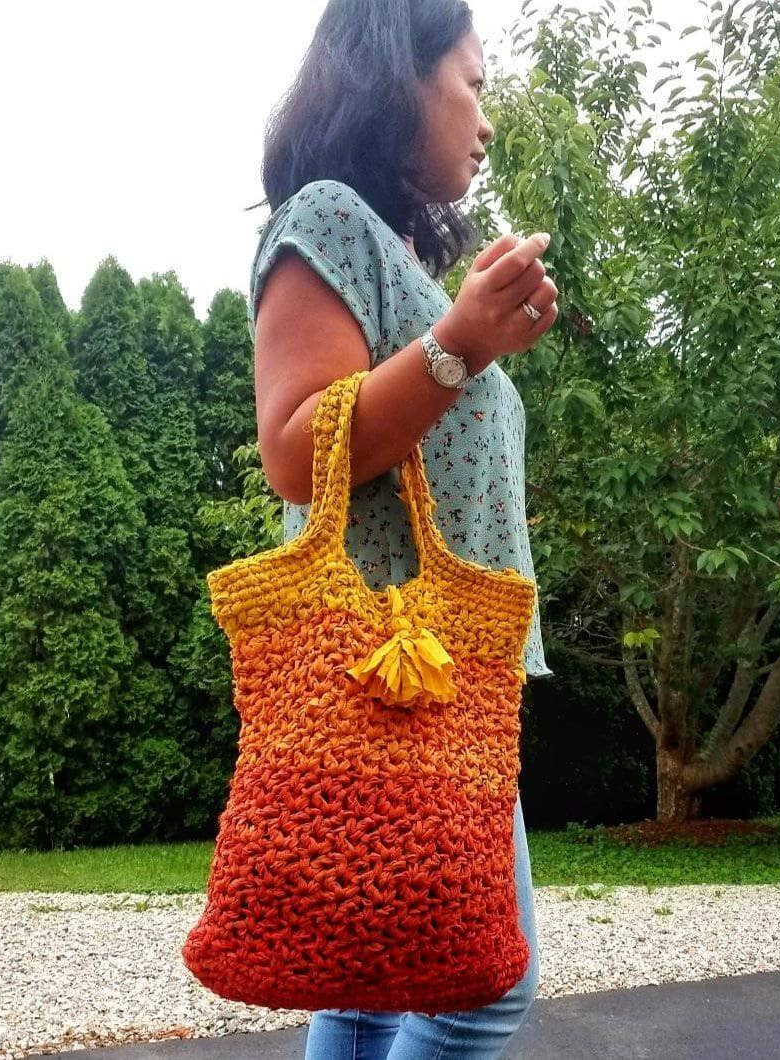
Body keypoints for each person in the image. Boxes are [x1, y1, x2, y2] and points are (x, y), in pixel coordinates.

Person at [247, 1, 558, 1056]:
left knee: (369, 986)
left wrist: (463, 335)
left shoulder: (402, 257)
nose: (485, 119)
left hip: (446, 664)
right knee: (482, 988)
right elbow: (296, 449)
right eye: (471, 84)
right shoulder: (326, 215)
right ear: (397, 76)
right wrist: (461, 344)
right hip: (393, 670)